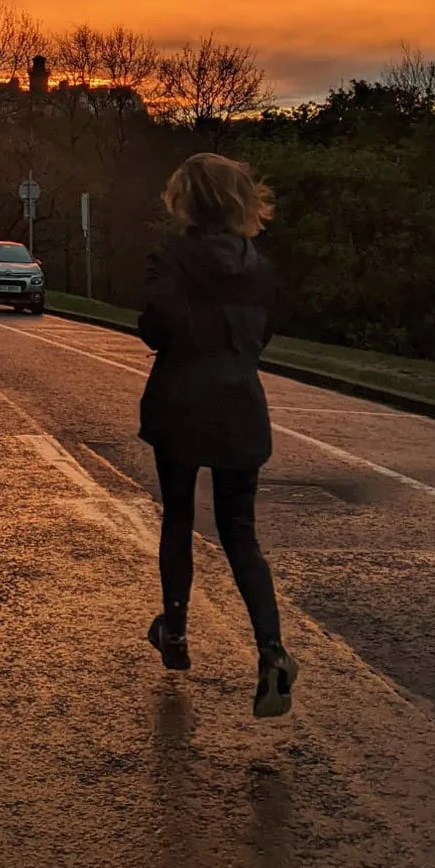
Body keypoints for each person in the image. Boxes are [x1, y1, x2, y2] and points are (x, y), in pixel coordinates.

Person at [138, 151, 297, 718]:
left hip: (181, 399)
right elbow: (265, 332)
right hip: (239, 402)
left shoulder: (173, 257)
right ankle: (271, 649)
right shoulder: (259, 265)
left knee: (178, 516)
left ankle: (175, 631)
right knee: (239, 532)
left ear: (186, 200)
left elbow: (153, 324)